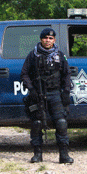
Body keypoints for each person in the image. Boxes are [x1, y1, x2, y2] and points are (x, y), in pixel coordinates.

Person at [20, 28, 74, 164]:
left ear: (54, 40)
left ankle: (64, 155)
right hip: (38, 94)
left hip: (55, 93)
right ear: (41, 39)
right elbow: (24, 74)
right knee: (37, 123)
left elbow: (67, 74)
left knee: (61, 123)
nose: (47, 40)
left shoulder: (60, 55)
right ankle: (37, 154)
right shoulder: (33, 55)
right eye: (45, 38)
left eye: (50, 38)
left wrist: (66, 91)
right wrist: (31, 89)